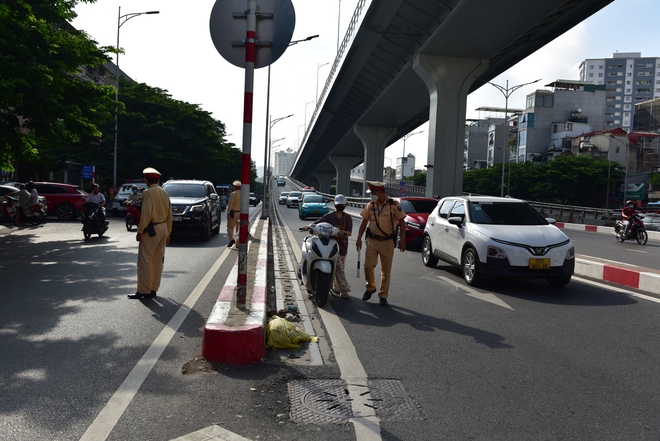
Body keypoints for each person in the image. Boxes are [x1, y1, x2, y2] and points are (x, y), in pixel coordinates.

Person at [355, 181, 406, 306]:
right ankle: (370, 287)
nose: (372, 195)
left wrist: (402, 240)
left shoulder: (394, 205)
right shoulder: (371, 205)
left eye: (373, 193)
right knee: (368, 266)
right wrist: (359, 238)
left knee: (386, 270)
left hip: (387, 242)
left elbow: (402, 222)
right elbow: (364, 222)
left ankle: (383, 295)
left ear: (380, 192)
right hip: (372, 241)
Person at [129, 167, 173, 299]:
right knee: (157, 260)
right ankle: (153, 288)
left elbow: (146, 214)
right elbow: (170, 215)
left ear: (146, 180)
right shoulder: (165, 193)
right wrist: (168, 232)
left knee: (144, 260)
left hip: (151, 229)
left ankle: (143, 290)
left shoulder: (148, 193)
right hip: (163, 228)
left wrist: (140, 230)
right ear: (158, 180)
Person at [304, 194, 353, 298]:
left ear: (345, 205)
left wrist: (339, 231)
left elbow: (349, 233)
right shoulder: (329, 216)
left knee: (340, 268)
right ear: (335, 204)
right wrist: (309, 226)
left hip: (342, 247)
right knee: (337, 267)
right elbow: (318, 222)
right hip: (329, 246)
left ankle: (342, 288)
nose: (340, 206)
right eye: (339, 204)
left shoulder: (347, 218)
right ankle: (339, 288)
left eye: (342, 204)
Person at [226, 180, 241, 247]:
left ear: (235, 187)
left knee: (230, 227)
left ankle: (232, 240)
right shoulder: (244, 194)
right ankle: (237, 244)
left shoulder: (233, 194)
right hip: (241, 213)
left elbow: (230, 204)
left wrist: (228, 213)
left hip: (233, 213)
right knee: (239, 229)